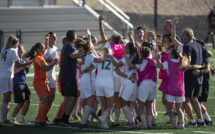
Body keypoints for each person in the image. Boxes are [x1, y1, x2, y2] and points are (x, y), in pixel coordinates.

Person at [25, 34, 58, 127]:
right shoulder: (39, 58)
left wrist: (46, 40)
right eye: (42, 48)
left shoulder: (40, 55)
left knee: (48, 100)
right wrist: (53, 63)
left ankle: (42, 119)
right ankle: (39, 121)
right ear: (38, 49)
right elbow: (46, 68)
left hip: (43, 81)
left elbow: (46, 48)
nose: (44, 50)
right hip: (39, 82)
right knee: (45, 100)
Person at [59, 30, 91, 127]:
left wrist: (79, 66)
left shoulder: (66, 46)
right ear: (74, 38)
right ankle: (64, 120)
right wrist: (86, 53)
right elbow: (72, 56)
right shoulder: (69, 46)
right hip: (68, 77)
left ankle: (63, 119)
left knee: (70, 98)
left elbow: (70, 60)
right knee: (72, 98)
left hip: (66, 76)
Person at [182, 27, 211, 128]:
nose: (181, 37)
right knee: (195, 99)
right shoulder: (199, 45)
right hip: (199, 77)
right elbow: (209, 54)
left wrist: (186, 66)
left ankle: (192, 122)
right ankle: (201, 121)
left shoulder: (187, 46)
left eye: (182, 35)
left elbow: (188, 61)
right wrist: (201, 65)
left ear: (186, 35)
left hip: (190, 75)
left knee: (185, 100)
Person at [98, 15, 125, 126]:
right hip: (119, 74)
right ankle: (116, 120)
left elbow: (102, 34)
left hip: (109, 74)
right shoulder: (123, 47)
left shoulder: (109, 45)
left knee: (109, 99)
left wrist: (100, 22)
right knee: (117, 99)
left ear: (112, 40)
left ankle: (106, 117)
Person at [0, 35, 32, 127]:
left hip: (4, 75)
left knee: (7, 98)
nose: (18, 47)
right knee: (6, 98)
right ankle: (4, 120)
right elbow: (18, 64)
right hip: (7, 76)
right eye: (17, 45)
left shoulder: (3, 50)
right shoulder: (13, 51)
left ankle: (5, 119)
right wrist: (30, 62)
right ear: (14, 44)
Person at [123, 47, 157, 129]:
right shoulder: (154, 62)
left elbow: (131, 65)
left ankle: (144, 125)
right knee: (149, 106)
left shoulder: (140, 62)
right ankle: (149, 124)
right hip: (153, 84)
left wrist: (126, 58)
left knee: (141, 106)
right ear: (149, 54)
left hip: (143, 84)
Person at [108, 42, 140, 129]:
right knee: (129, 103)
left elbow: (117, 65)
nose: (124, 48)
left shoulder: (126, 57)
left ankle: (131, 123)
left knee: (122, 103)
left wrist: (111, 57)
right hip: (134, 83)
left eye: (125, 47)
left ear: (128, 49)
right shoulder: (137, 57)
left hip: (127, 83)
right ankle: (133, 121)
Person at [156, 48, 189, 129]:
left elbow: (159, 65)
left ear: (172, 55)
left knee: (170, 108)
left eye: (169, 53)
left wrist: (157, 58)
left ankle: (174, 124)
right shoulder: (181, 62)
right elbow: (187, 66)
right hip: (180, 89)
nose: (168, 54)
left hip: (171, 89)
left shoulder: (168, 62)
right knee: (179, 108)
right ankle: (182, 124)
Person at [9, 44, 31, 124]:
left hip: (24, 82)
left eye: (21, 49)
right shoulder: (16, 60)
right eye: (18, 49)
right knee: (20, 102)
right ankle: (12, 118)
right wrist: (24, 65)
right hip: (17, 83)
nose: (20, 50)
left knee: (28, 100)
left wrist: (27, 66)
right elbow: (14, 72)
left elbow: (26, 72)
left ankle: (22, 118)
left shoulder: (24, 60)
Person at [53, 37, 68, 125]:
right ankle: (58, 118)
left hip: (65, 77)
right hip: (64, 77)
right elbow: (61, 64)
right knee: (67, 99)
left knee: (69, 99)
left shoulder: (64, 50)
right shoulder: (65, 51)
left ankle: (62, 117)